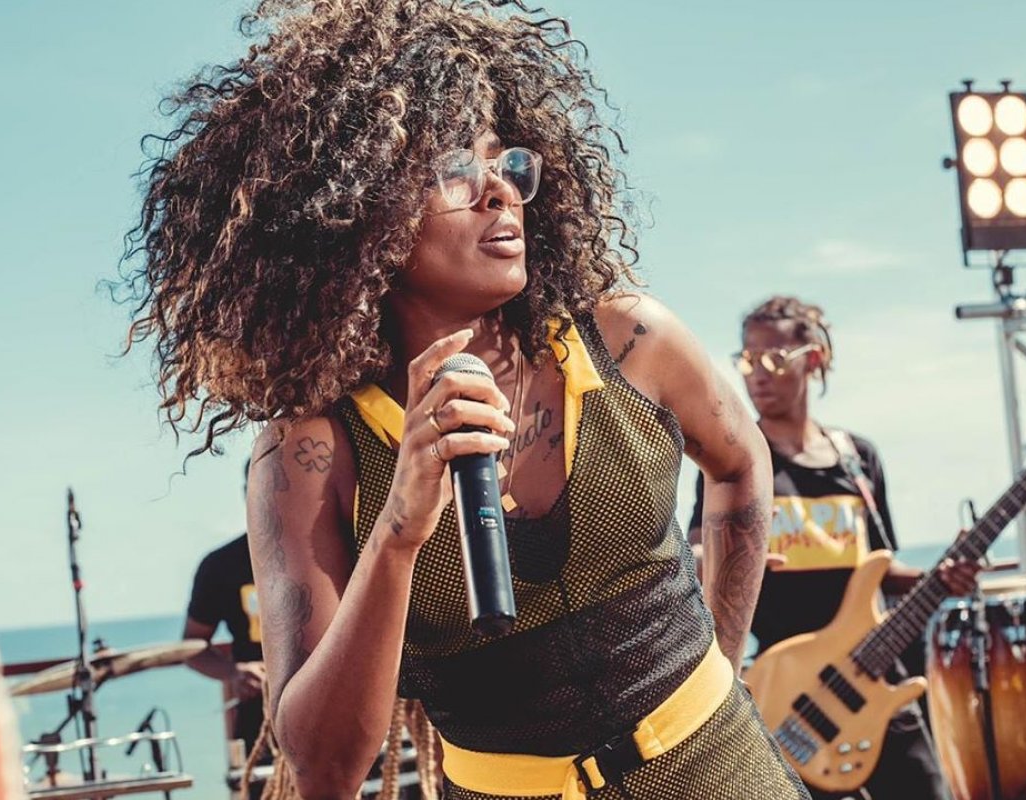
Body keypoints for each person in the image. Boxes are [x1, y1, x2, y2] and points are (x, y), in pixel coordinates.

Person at [123, 2, 809, 797]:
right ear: (354, 207)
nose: (499, 192)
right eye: (454, 167)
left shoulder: (626, 337)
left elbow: (741, 463)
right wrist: (399, 532)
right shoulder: (311, 449)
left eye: (507, 162)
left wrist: (722, 656)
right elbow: (321, 766)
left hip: (721, 770)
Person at [687, 295, 978, 800]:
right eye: (748, 360)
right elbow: (699, 552)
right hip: (787, 691)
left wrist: (942, 576)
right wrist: (709, 556)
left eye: (775, 359)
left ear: (814, 359)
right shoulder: (739, 462)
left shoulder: (858, 458)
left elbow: (880, 566)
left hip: (873, 673)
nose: (758, 374)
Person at [182, 458, 266, 758]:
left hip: (335, 712)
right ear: (248, 493)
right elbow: (192, 648)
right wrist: (234, 672)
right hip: (261, 724)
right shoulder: (221, 566)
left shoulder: (338, 549)